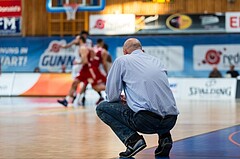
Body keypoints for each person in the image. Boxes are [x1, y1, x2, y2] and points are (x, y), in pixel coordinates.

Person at [96, 38, 179, 158]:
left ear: (125, 52)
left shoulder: (122, 60)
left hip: (147, 122)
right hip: (171, 121)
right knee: (158, 103)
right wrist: (131, 99)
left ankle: (133, 141)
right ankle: (165, 138)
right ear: (142, 50)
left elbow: (111, 95)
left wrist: (121, 100)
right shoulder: (157, 61)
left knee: (102, 107)